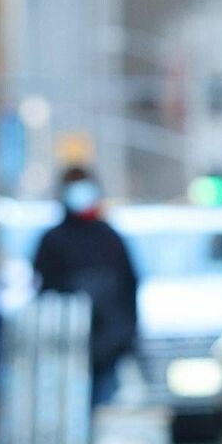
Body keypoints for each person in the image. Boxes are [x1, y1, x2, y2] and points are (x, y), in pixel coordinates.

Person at [33, 165, 138, 407]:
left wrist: (126, 337)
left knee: (105, 410)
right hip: (65, 350)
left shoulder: (110, 238)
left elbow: (129, 288)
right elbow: (43, 294)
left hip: (109, 348)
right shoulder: (53, 241)